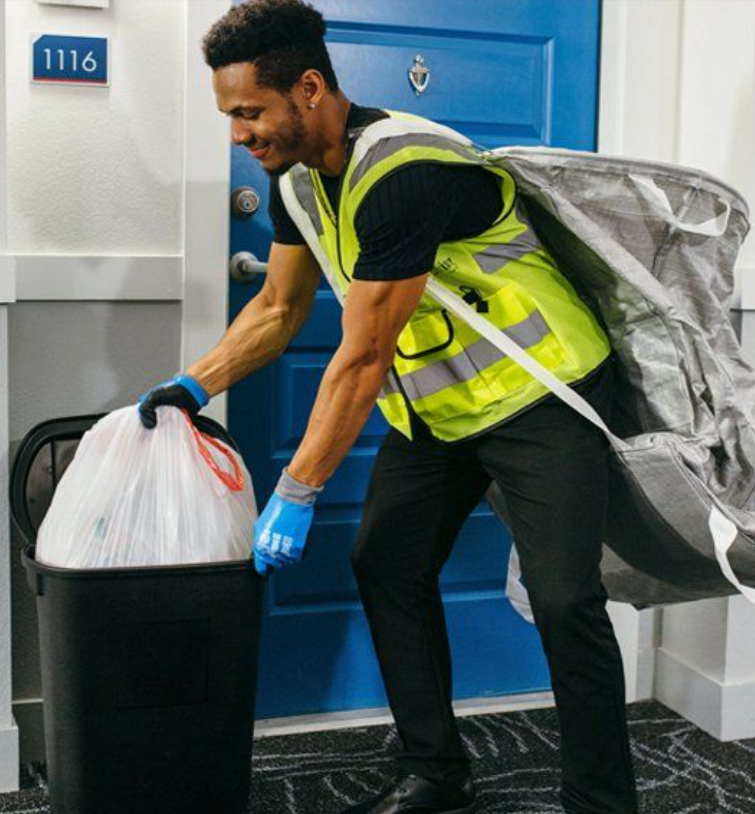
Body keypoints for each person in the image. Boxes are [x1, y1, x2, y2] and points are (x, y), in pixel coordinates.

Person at [139, 1, 639, 812]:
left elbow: (363, 356)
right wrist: (195, 384)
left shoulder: (406, 169)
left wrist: (296, 491)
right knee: (387, 562)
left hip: (539, 392)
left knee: (562, 597)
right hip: (438, 412)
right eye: (230, 115)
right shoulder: (296, 183)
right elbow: (277, 308)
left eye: (248, 112)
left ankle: (602, 802)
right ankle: (434, 771)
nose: (239, 134)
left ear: (308, 88)